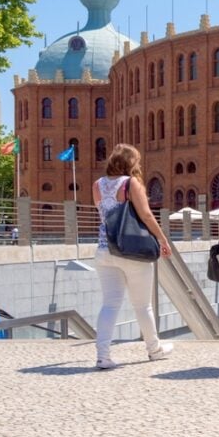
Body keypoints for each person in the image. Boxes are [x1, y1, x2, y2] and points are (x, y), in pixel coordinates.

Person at [91, 144, 173, 370]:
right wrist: (162, 240)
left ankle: (103, 356)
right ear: (130, 163)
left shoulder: (97, 185)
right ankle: (154, 349)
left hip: (105, 250)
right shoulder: (130, 183)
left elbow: (106, 214)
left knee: (109, 304)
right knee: (142, 305)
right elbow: (146, 215)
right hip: (132, 251)